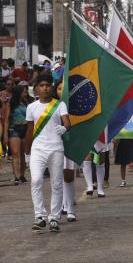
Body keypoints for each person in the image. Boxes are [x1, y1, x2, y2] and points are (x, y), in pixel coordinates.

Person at [25, 74, 71, 232]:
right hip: (38, 149)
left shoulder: (59, 105)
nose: (45, 88)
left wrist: (64, 128)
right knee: (36, 180)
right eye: (42, 85)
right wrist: (27, 152)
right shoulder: (31, 107)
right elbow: (30, 130)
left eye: (47, 85)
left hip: (56, 148)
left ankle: (54, 218)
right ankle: (39, 216)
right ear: (36, 88)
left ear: (51, 88)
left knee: (56, 183)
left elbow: (67, 122)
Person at [53, 80, 77, 222]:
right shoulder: (52, 106)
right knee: (57, 177)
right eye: (59, 88)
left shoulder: (73, 105)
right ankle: (61, 206)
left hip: (69, 141)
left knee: (68, 176)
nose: (61, 91)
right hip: (54, 143)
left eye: (64, 88)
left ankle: (71, 209)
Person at [3, 83, 30, 184]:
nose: (25, 93)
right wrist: (5, 134)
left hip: (25, 129)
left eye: (26, 92)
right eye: (23, 92)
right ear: (18, 93)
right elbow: (6, 120)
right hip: (13, 129)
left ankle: (22, 175)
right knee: (15, 153)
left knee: (23, 154)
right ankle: (16, 176)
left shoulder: (27, 103)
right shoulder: (10, 103)